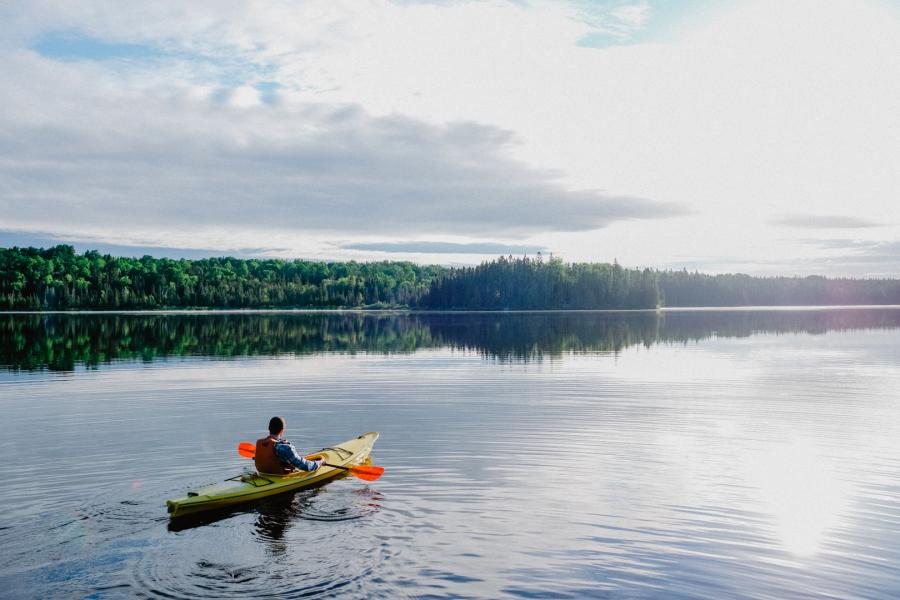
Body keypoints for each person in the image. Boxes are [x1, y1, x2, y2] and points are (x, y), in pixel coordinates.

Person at [254, 416, 324, 475]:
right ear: (282, 430)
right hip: (277, 478)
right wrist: (319, 463)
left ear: (269, 428)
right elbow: (305, 466)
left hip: (263, 475)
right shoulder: (283, 447)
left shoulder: (259, 443)